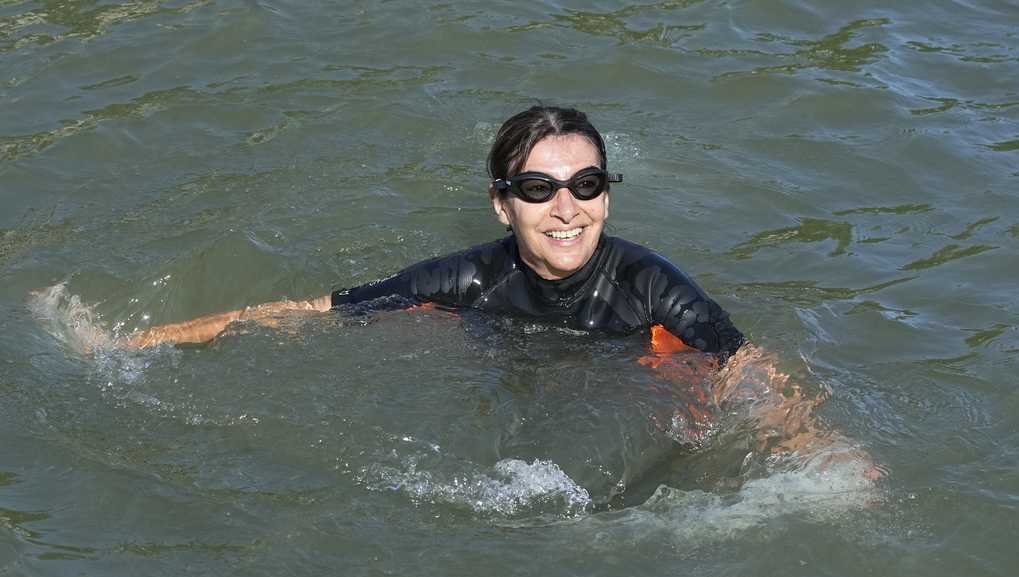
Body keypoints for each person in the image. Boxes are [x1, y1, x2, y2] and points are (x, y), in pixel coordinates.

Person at [125, 106, 745, 358]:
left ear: (605, 195)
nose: (566, 208)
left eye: (586, 185)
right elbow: (309, 311)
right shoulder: (470, 278)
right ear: (502, 205)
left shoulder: (651, 285)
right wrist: (135, 343)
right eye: (537, 188)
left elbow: (748, 368)